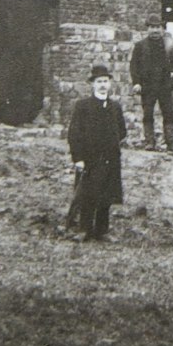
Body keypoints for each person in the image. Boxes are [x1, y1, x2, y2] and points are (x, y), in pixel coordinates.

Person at [66, 64, 127, 242]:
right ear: (92, 84)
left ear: (110, 84)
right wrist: (78, 158)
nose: (102, 85)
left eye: (105, 81)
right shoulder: (83, 106)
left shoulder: (115, 107)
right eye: (99, 81)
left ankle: (102, 231)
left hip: (110, 159)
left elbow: (121, 131)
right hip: (90, 159)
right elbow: (74, 134)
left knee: (106, 195)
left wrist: (111, 145)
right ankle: (84, 229)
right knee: (87, 194)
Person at [128, 18, 173, 151]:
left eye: (158, 27)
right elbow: (134, 65)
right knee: (148, 113)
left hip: (164, 85)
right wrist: (137, 82)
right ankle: (149, 141)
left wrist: (172, 79)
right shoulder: (140, 46)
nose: (155, 30)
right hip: (147, 86)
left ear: (162, 29)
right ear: (147, 29)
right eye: (152, 27)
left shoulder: (168, 45)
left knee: (168, 113)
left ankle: (170, 142)